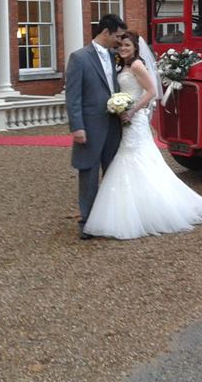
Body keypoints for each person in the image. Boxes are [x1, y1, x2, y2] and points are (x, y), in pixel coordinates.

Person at [82, 31, 202, 240]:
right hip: (123, 119)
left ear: (135, 48)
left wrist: (131, 110)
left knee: (134, 158)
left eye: (127, 46)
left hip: (135, 119)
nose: (123, 48)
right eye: (121, 45)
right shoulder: (121, 66)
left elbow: (151, 91)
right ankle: (133, 208)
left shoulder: (137, 66)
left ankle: (146, 212)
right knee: (128, 159)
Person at [65, 13, 127, 240]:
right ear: (105, 32)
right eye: (117, 36)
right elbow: (73, 97)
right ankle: (87, 221)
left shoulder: (116, 57)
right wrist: (77, 127)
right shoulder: (79, 58)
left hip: (113, 124)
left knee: (113, 172)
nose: (120, 41)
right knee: (88, 173)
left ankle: (110, 218)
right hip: (90, 126)